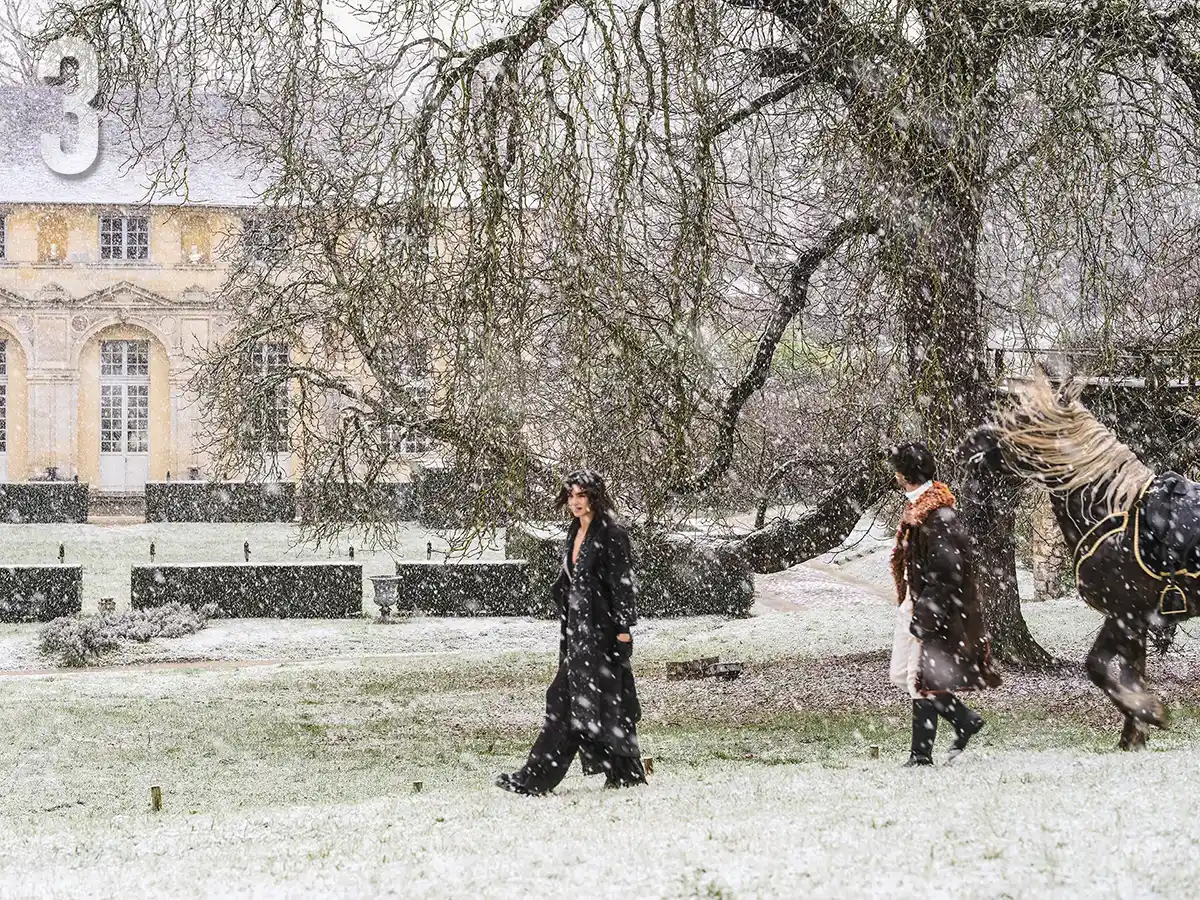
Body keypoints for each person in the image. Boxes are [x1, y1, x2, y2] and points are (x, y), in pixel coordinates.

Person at [496, 470, 647, 795]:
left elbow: (622, 585)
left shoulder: (611, 532)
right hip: (577, 631)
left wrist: (623, 631)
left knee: (566, 700)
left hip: (603, 632)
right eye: (571, 495)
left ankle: (534, 779)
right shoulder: (574, 530)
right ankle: (626, 772)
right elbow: (572, 579)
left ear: (595, 496)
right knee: (607, 701)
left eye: (582, 495)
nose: (576, 502)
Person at [889, 442, 1001, 767]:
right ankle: (963, 718)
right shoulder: (919, 508)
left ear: (902, 475)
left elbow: (947, 575)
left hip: (929, 608)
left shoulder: (937, 516)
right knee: (901, 675)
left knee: (918, 679)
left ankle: (920, 756)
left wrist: (925, 617)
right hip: (913, 602)